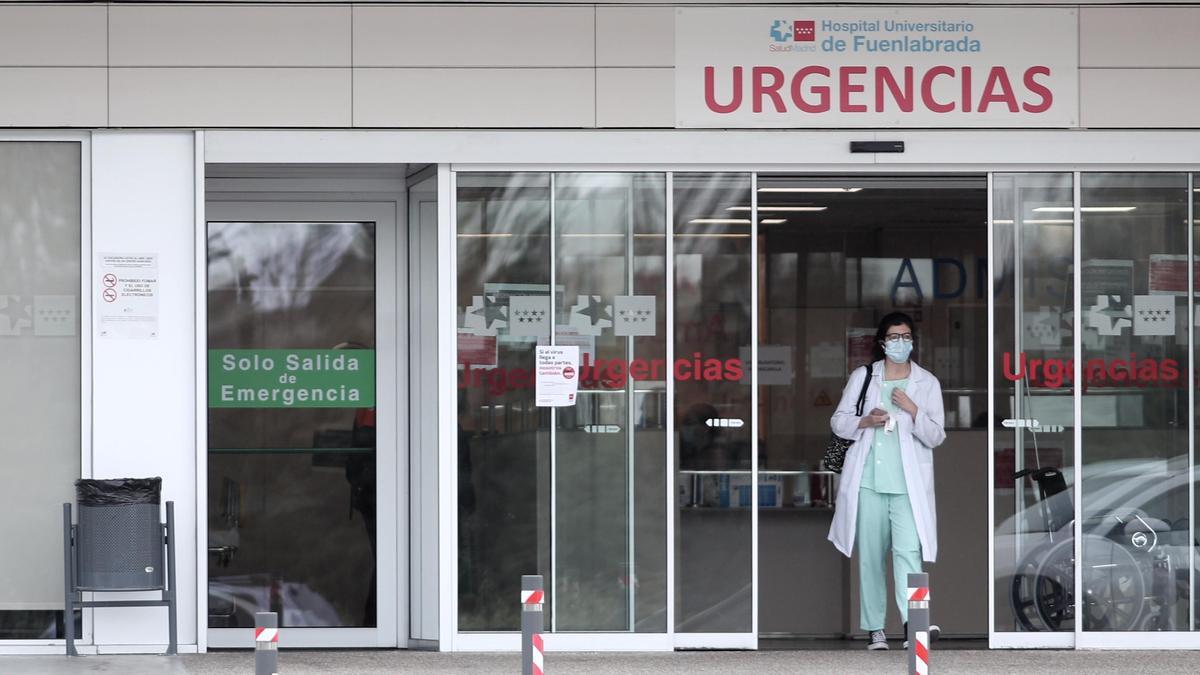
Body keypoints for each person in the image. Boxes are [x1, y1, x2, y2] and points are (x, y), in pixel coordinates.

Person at [827, 312, 946, 651]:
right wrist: (866, 421)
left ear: (913, 341)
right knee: (871, 557)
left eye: (906, 336)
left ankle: (915, 625)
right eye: (893, 337)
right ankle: (875, 629)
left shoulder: (927, 383)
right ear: (882, 342)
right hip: (867, 482)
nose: (900, 343)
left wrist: (912, 409)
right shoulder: (864, 377)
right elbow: (838, 421)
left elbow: (936, 435)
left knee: (909, 554)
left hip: (908, 487)